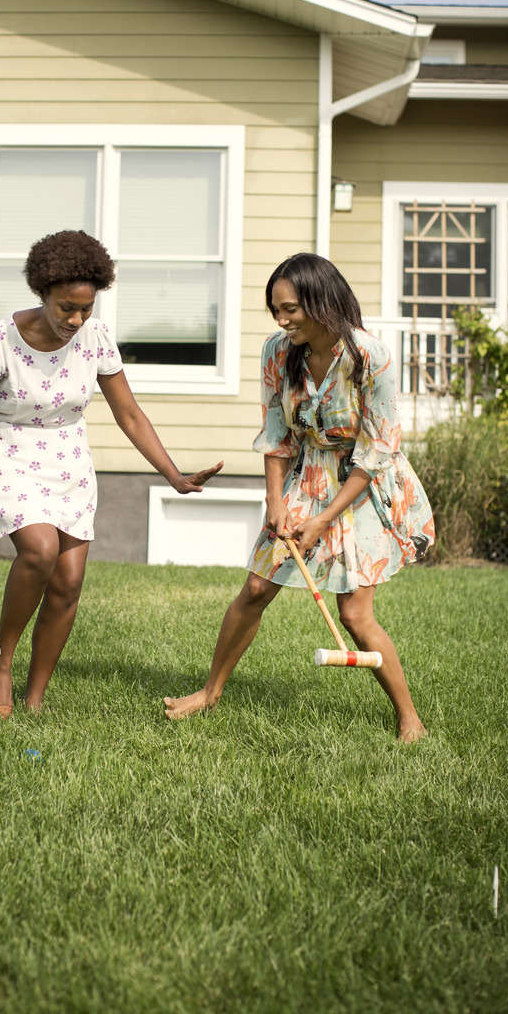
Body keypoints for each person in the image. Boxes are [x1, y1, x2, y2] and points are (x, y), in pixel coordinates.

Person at [0, 229, 223, 718]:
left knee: (69, 580)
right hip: (6, 452)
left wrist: (173, 475)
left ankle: (35, 700)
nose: (75, 320)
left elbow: (130, 414)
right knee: (41, 551)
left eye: (85, 309)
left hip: (67, 456)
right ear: (43, 294)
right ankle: (2, 665)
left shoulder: (94, 338)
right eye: (65, 308)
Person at [163, 252, 434, 742]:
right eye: (275, 311)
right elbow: (275, 431)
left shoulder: (371, 356)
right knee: (256, 589)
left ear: (320, 301)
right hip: (306, 475)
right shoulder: (277, 352)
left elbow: (376, 451)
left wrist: (324, 520)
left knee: (354, 614)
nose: (282, 320)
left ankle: (409, 717)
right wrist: (275, 501)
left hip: (364, 486)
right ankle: (209, 692)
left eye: (290, 309)